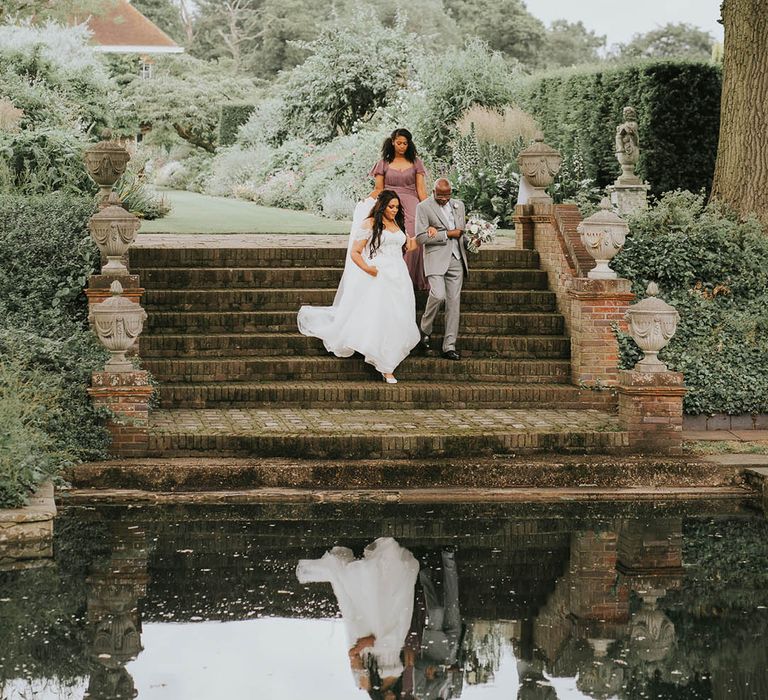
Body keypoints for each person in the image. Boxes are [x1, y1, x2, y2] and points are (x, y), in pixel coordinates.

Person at [297, 190, 420, 383]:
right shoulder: (370, 223)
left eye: (397, 207)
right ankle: (386, 365)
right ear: (382, 206)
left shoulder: (397, 223)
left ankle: (390, 353)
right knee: (382, 316)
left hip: (399, 276)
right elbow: (355, 252)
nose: (394, 210)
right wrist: (368, 268)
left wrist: (424, 236)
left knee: (398, 315)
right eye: (391, 207)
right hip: (379, 275)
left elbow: (407, 246)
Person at [296, 537, 420, 699]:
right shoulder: (396, 682)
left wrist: (364, 645)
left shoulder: (366, 684)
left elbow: (353, 655)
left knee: (374, 601)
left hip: (376, 635)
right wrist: (408, 656)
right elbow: (404, 655)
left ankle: (369, 566)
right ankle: (384, 562)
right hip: (394, 634)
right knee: (392, 598)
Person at [414, 179, 469, 361]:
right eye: (440, 195)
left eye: (447, 195)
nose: (444, 199)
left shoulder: (459, 205)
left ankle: (449, 346)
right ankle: (425, 329)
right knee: (438, 295)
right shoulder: (423, 207)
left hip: (457, 259)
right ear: (433, 191)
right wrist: (447, 234)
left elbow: (462, 232)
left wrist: (474, 240)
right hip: (436, 259)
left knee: (454, 304)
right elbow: (421, 237)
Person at [369, 128, 430, 291]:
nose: (402, 146)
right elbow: (378, 188)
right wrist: (369, 202)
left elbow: (421, 191)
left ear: (409, 144)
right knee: (391, 237)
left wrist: (431, 212)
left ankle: (408, 279)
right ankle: (391, 278)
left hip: (411, 204)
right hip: (389, 203)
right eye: (399, 143)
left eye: (405, 143)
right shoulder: (383, 162)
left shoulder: (416, 162)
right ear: (392, 142)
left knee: (411, 235)